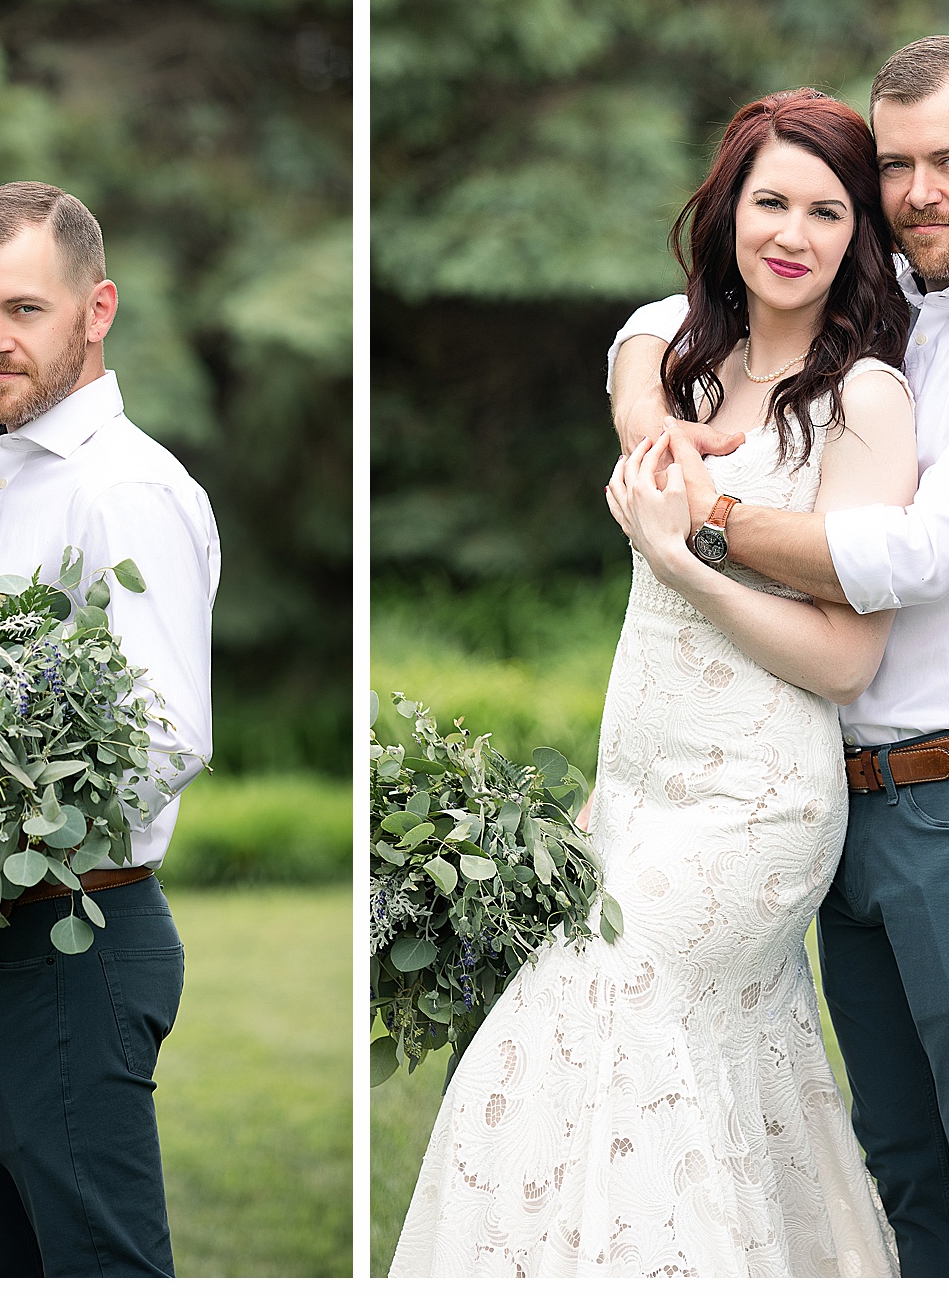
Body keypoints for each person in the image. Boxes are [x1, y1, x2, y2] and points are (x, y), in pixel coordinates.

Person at [609, 37, 949, 1278]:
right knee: (903, 1169)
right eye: (895, 164)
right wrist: (654, 418)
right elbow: (665, 315)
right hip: (841, 804)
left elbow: (908, 554)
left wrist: (707, 514)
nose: (917, 193)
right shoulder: (903, 286)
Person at [392, 89, 918, 1278]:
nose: (792, 232)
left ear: (859, 238)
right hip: (631, 795)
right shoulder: (681, 366)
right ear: (728, 211)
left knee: (602, 1009)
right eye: (769, 200)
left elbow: (849, 655)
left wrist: (691, 558)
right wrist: (654, 420)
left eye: (827, 210)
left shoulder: (864, 401)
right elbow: (633, 341)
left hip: (759, 804)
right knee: (653, 1063)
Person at [0, 181, 219, 1278]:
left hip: (73, 943)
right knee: (19, 1259)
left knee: (100, 1266)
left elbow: (163, 735)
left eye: (24, 309)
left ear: (98, 307)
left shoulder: (123, 490)